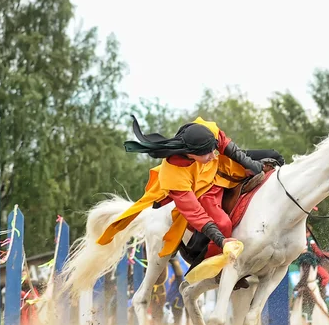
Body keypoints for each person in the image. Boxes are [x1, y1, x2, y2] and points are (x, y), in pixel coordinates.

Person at [98, 115, 266, 290]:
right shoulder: (173, 175)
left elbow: (222, 143)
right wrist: (222, 241)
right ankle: (215, 270)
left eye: (213, 149)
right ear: (191, 152)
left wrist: (249, 164)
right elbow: (195, 213)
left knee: (273, 157)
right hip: (201, 192)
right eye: (207, 152)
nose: (212, 154)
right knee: (223, 224)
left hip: (220, 171)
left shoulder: (206, 130)